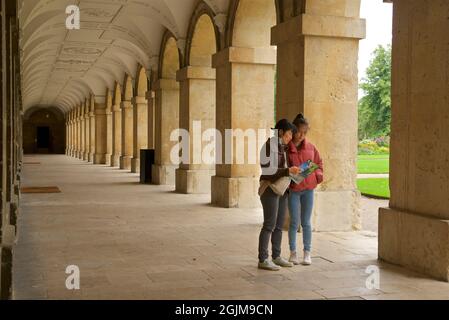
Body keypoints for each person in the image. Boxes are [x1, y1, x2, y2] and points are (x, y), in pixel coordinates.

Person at [258, 119, 300, 271]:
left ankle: (276, 257)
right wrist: (288, 171)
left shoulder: (284, 148)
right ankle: (263, 259)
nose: (290, 137)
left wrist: (295, 172)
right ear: (281, 132)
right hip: (269, 189)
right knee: (269, 225)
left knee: (278, 226)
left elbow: (285, 169)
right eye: (289, 134)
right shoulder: (268, 147)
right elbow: (268, 172)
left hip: (283, 189)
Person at [287, 114, 323, 266]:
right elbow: (283, 168)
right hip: (294, 190)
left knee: (306, 222)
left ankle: (307, 253)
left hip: (308, 190)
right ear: (294, 130)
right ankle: (293, 253)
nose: (302, 135)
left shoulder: (311, 147)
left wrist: (316, 176)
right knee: (294, 222)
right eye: (299, 132)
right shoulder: (287, 149)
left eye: (305, 132)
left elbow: (319, 164)